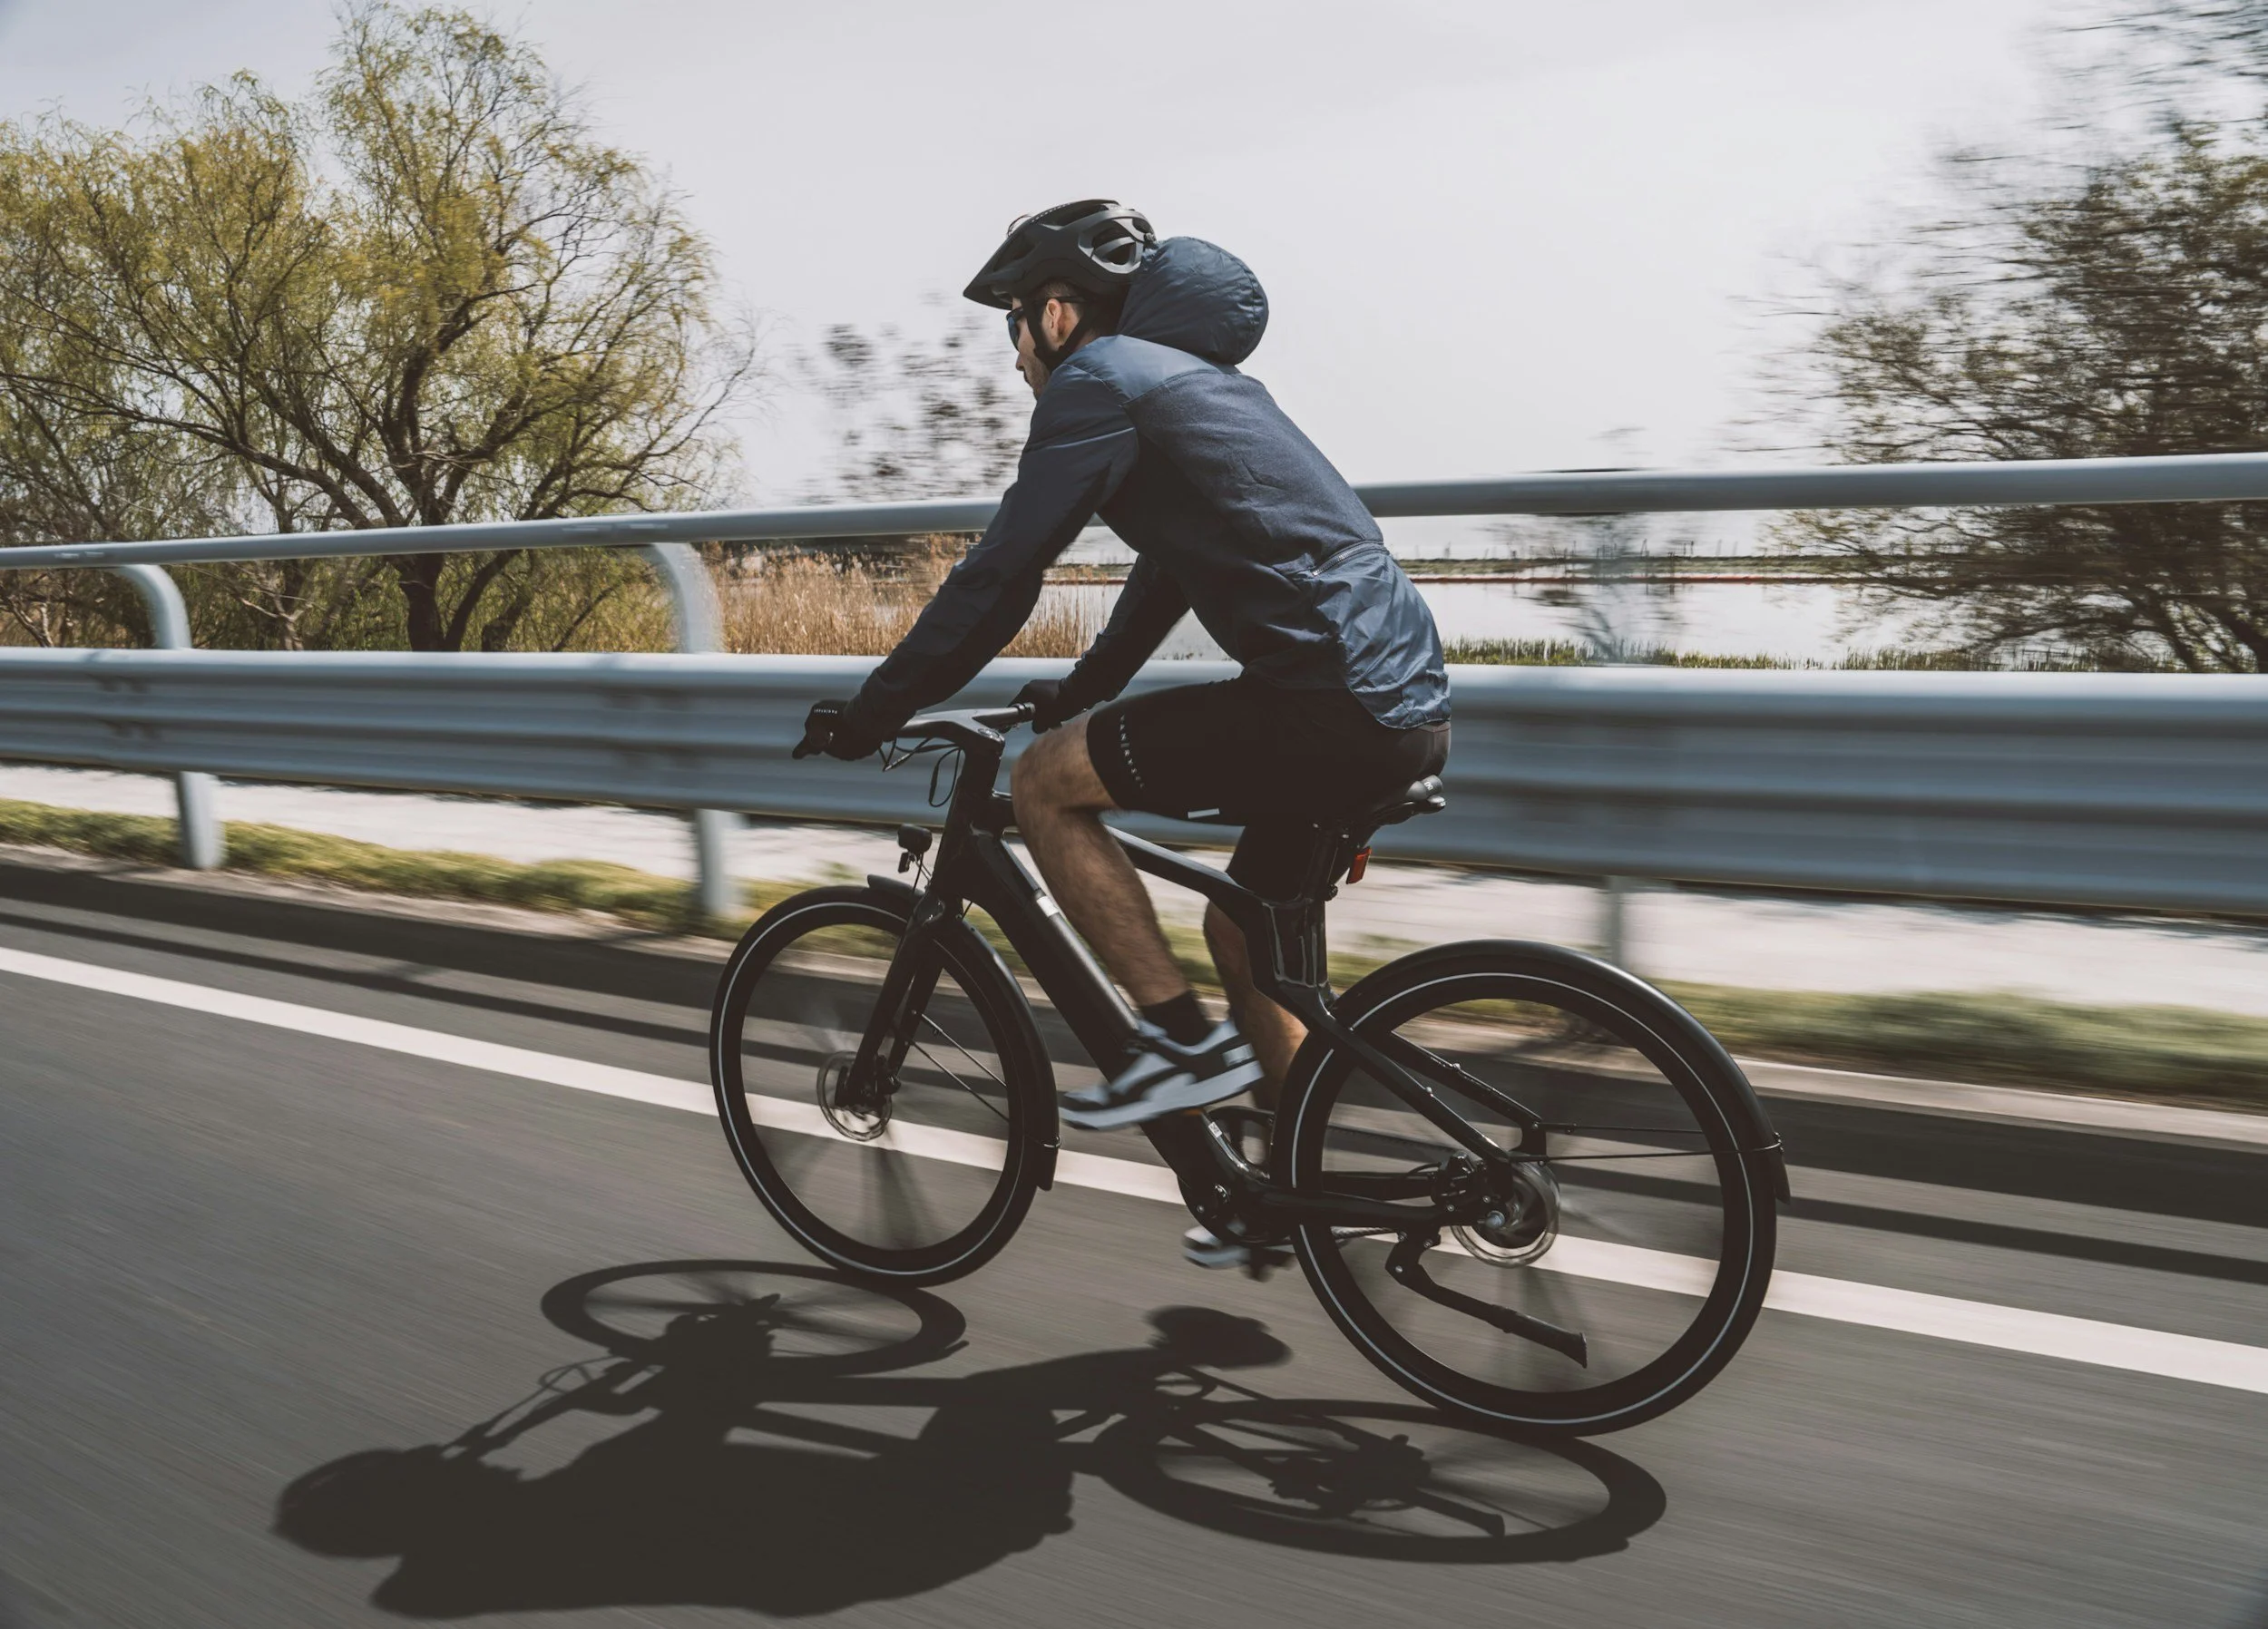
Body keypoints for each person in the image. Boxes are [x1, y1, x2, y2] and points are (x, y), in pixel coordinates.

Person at [797, 200, 1450, 1257]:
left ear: (1055, 315)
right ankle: (1288, 1193)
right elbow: (1171, 570)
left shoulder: (1096, 381)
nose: (1014, 354)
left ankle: (1178, 1047)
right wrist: (1082, 687)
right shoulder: (1202, 388)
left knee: (1047, 784)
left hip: (1328, 700)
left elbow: (1002, 573)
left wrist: (878, 709)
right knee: (1242, 933)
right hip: (1401, 705)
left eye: (1013, 325)